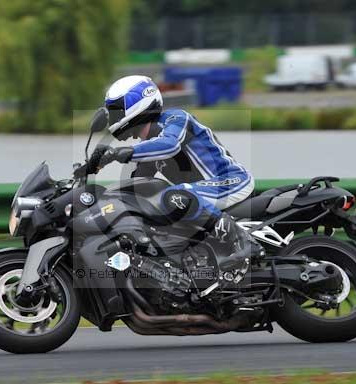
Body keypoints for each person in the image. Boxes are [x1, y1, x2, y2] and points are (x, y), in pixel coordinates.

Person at [91, 75, 261, 272]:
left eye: (117, 109)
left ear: (136, 103)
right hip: (204, 196)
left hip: (230, 181)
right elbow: (134, 185)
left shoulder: (176, 118)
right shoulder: (149, 147)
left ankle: (244, 242)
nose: (115, 115)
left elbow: (170, 145)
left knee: (175, 195)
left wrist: (120, 153)